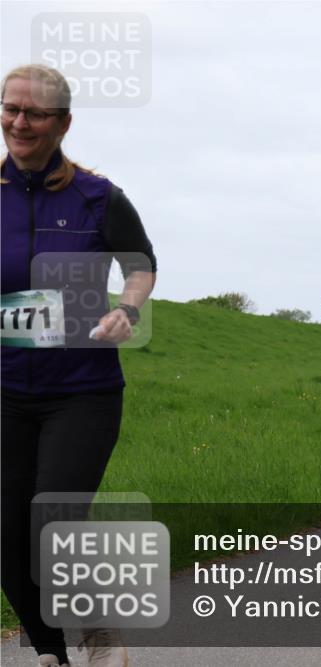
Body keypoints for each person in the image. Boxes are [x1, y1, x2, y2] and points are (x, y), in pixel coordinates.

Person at [1, 65, 157, 667]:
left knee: (54, 518)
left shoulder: (98, 196)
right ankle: (48, 652)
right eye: (10, 108)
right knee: (7, 534)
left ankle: (96, 632)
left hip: (82, 390)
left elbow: (140, 263)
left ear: (63, 123)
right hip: (5, 389)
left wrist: (127, 308)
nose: (19, 122)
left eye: (35, 113)